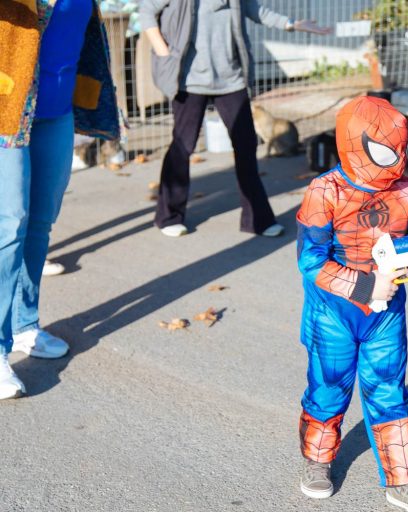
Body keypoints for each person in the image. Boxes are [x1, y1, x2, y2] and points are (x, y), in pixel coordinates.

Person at [295, 96, 408, 512]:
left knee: (389, 390)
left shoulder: (405, 192)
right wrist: (364, 288)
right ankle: (317, 459)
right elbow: (310, 260)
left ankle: (404, 478)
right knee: (329, 387)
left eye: (399, 149)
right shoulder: (325, 190)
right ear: (354, 142)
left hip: (387, 314)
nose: (394, 161)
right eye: (384, 150)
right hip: (333, 313)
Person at [0, 0, 120, 399]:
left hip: (56, 111)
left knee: (40, 221)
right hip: (8, 108)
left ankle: (24, 325)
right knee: (10, 224)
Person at [139, 0, 331, 238]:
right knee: (182, 146)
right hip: (189, 81)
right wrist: (164, 52)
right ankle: (168, 216)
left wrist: (292, 24)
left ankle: (258, 220)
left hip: (231, 79)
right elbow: (146, 10)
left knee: (246, 146)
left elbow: (254, 10)